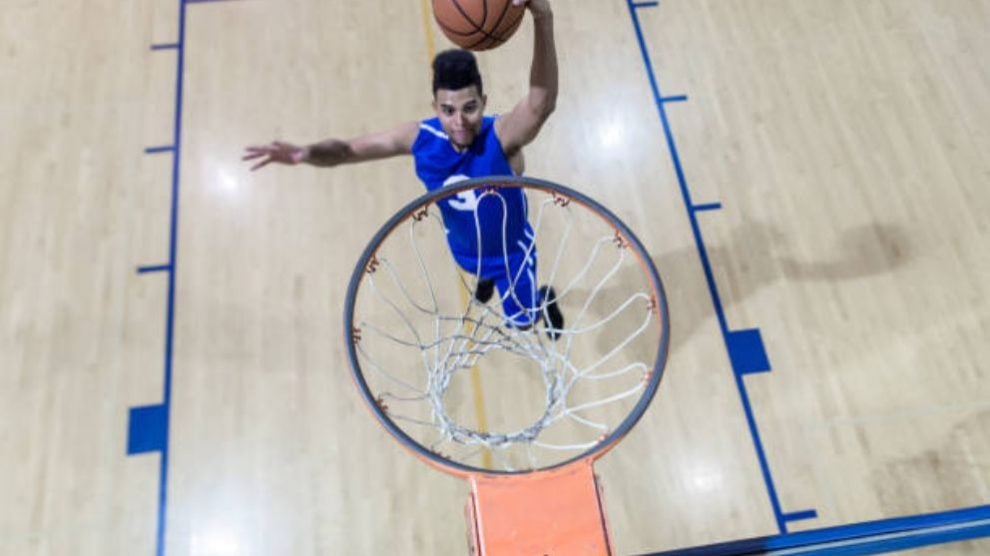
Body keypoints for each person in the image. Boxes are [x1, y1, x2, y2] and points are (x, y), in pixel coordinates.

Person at [243, 0, 563, 339]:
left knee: (523, 323)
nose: (459, 122)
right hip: (464, 249)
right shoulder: (420, 138)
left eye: (470, 108)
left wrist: (543, 17)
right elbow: (348, 150)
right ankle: (484, 278)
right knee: (476, 270)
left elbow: (540, 104)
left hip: (511, 252)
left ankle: (543, 298)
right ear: (435, 108)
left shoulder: (502, 137)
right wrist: (306, 152)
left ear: (484, 102)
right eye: (448, 110)